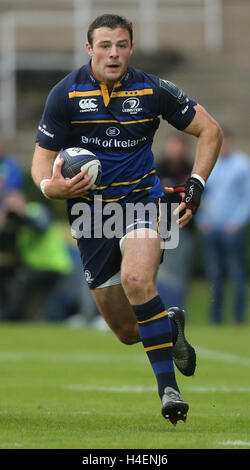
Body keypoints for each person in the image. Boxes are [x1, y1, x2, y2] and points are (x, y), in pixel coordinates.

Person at [31, 14, 223, 424]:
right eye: (104, 45)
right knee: (126, 332)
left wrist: (196, 184)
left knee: (138, 280)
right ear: (89, 49)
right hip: (90, 216)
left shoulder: (152, 89)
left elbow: (210, 130)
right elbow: (41, 164)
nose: (113, 53)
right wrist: (52, 188)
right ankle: (168, 325)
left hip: (142, 204)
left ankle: (169, 392)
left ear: (130, 48)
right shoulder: (64, 94)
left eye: (121, 45)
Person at [196, 129, 250, 323]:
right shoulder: (210, 165)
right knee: (215, 273)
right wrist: (201, 219)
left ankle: (238, 317)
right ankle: (216, 317)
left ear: (231, 142)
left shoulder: (242, 165)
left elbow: (247, 197)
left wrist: (237, 222)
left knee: (236, 273)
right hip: (212, 228)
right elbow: (202, 195)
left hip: (232, 229)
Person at [0, 191, 73, 321]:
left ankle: (12, 316)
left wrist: (21, 216)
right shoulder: (12, 224)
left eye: (14, 203)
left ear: (23, 202)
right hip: (33, 266)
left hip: (52, 265)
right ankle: (5, 310)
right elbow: (6, 246)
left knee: (26, 281)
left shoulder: (35, 210)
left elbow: (41, 227)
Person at [156, 133, 194, 308]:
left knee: (179, 272)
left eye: (181, 147)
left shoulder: (190, 169)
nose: (177, 151)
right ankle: (157, 309)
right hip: (161, 225)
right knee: (158, 270)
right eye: (174, 146)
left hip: (184, 226)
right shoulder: (158, 168)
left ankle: (177, 308)